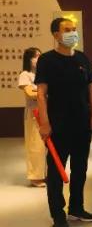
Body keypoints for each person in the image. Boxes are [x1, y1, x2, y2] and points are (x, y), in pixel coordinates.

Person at [36, 17, 92, 227]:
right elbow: (41, 94)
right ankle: (58, 214)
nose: (73, 33)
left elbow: (91, 88)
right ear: (56, 34)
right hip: (58, 125)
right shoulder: (47, 60)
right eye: (67, 30)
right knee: (56, 171)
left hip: (81, 122)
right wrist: (45, 123)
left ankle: (76, 207)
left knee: (80, 167)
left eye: (74, 29)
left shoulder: (82, 58)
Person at [18, 47, 46, 188]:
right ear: (28, 59)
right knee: (36, 145)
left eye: (40, 55)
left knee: (47, 146)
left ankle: (46, 173)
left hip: (46, 111)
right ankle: (35, 177)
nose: (38, 58)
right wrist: (44, 93)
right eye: (35, 56)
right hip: (33, 113)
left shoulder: (43, 74)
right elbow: (30, 93)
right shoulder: (25, 74)